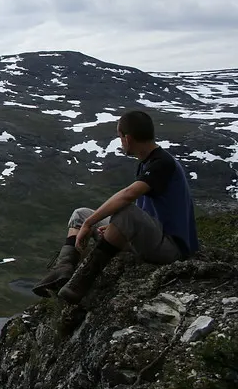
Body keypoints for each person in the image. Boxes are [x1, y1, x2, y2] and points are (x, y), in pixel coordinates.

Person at [32, 110, 199, 304]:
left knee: (123, 211)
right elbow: (144, 213)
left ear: (127, 139)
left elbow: (128, 196)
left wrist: (91, 223)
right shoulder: (148, 163)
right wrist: (113, 229)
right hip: (151, 237)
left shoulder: (163, 163)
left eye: (120, 137)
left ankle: (83, 281)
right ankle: (63, 271)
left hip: (171, 248)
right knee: (80, 214)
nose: (121, 143)